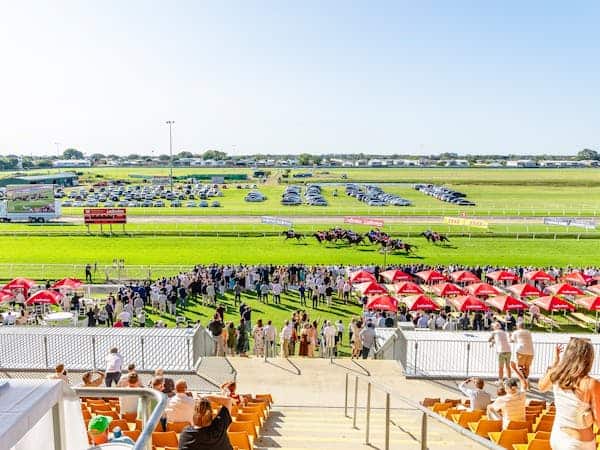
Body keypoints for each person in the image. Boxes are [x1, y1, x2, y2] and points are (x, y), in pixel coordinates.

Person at [539, 339, 600, 450]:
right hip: (579, 443)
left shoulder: (556, 374)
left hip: (558, 437)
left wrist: (556, 363)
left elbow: (541, 387)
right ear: (588, 358)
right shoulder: (591, 384)